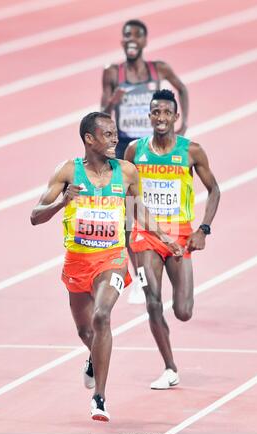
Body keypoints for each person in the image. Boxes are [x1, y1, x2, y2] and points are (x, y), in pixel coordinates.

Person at [30, 112, 183, 421]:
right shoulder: (67, 172)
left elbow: (139, 211)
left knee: (102, 316)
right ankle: (92, 357)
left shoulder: (126, 172)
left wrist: (166, 238)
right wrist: (62, 202)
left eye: (115, 133)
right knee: (85, 329)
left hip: (111, 259)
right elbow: (34, 215)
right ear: (89, 139)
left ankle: (99, 397)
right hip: (77, 260)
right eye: (108, 134)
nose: (116, 138)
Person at [124, 89, 220, 389]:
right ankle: (170, 367)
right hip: (146, 234)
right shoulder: (134, 151)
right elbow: (129, 200)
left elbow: (214, 189)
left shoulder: (191, 151)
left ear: (176, 117)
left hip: (180, 234)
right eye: (156, 112)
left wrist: (202, 229)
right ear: (149, 116)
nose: (161, 118)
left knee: (183, 312)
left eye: (167, 113)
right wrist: (129, 243)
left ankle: (171, 354)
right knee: (153, 302)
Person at [101, 19, 189, 303]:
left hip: (155, 143)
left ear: (145, 41)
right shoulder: (113, 72)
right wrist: (113, 102)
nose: (131, 40)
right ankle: (140, 277)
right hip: (127, 146)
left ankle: (155, 261)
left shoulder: (158, 69)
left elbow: (181, 89)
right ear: (122, 40)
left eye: (137, 36)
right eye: (127, 36)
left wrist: (184, 124)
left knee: (147, 202)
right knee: (128, 210)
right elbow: (102, 111)